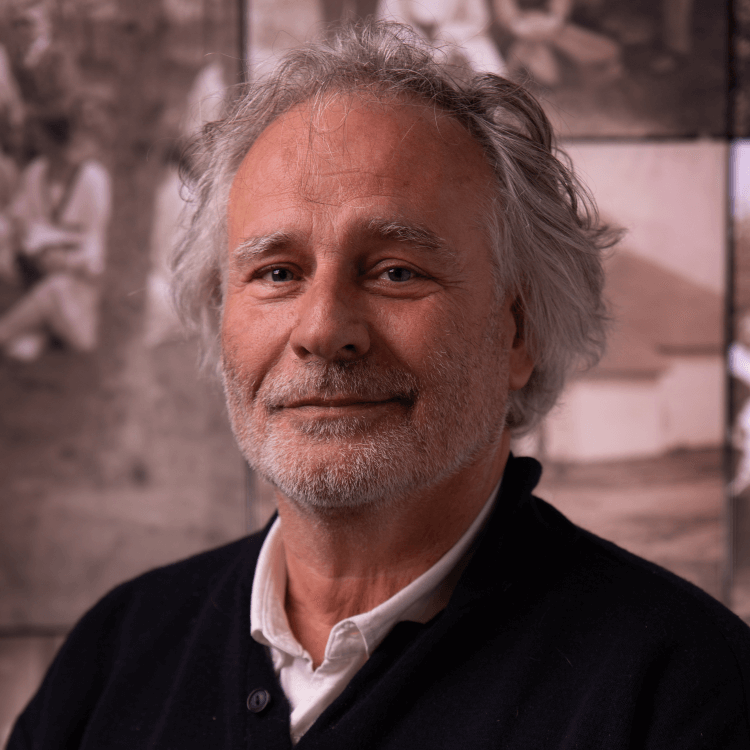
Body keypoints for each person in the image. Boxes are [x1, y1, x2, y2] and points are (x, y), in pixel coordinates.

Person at [9, 20, 750, 748]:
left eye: (396, 271)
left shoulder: (686, 692)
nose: (323, 329)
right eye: (278, 273)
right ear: (220, 313)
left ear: (518, 333)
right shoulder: (114, 655)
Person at [0, 105, 112, 361]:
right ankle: (33, 331)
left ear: (55, 139)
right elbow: (19, 215)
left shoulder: (93, 179)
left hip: (74, 278)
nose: (34, 142)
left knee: (57, 290)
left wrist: (65, 261)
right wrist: (21, 232)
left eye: (40, 137)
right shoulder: (36, 172)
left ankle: (11, 332)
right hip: (35, 263)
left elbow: (94, 246)